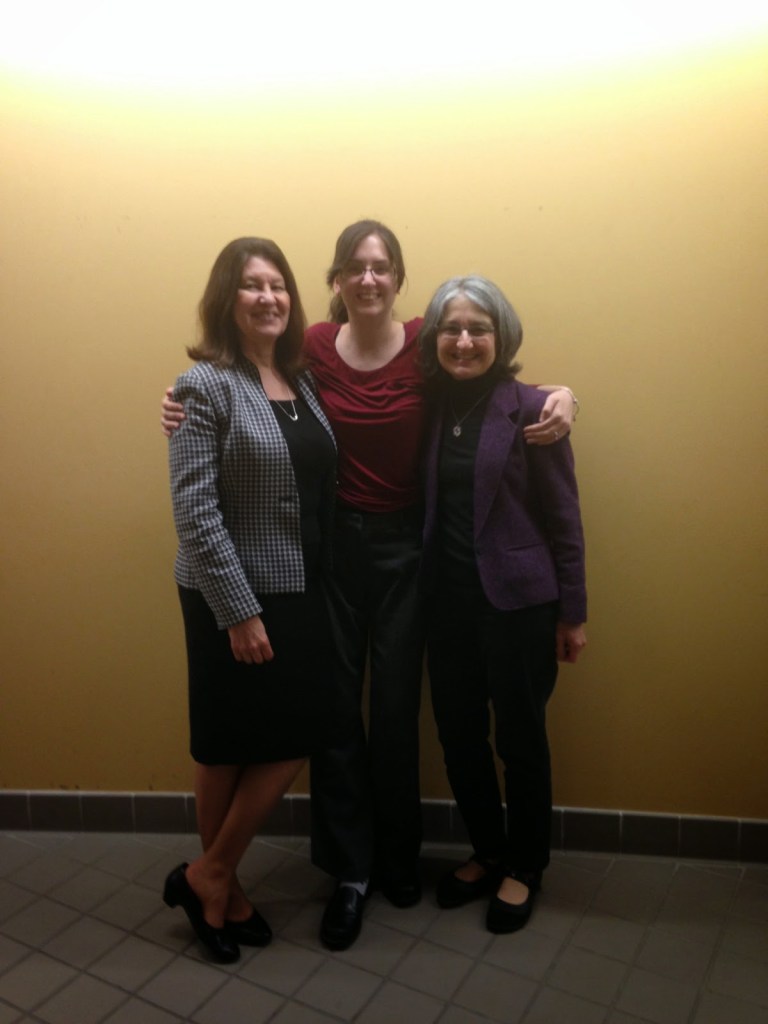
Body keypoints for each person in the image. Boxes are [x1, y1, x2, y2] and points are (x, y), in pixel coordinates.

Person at [161, 220, 577, 950]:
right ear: (335, 279)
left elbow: (495, 375)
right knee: (335, 720)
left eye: (382, 266)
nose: (369, 278)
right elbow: (236, 392)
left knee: (392, 713)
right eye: (355, 266)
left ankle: (397, 857)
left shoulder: (428, 343)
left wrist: (563, 397)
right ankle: (349, 871)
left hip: (407, 557)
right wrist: (179, 403)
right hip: (328, 556)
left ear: (398, 277)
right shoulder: (311, 350)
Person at [162, 237, 338, 963]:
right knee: (228, 740)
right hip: (227, 590)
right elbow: (194, 509)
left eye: (279, 285)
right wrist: (237, 610)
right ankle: (222, 891)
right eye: (252, 285)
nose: (269, 297)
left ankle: (209, 874)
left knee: (292, 734)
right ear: (226, 300)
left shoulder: (305, 381)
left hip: (300, 586)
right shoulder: (204, 386)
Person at [417, 275, 587, 934]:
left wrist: (573, 612)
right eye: (452, 329)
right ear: (435, 339)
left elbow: (565, 518)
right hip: (447, 606)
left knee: (520, 740)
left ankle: (526, 864)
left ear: (501, 336)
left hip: (519, 606)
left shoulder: (535, 409)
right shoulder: (427, 405)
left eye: (477, 329)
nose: (464, 341)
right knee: (459, 736)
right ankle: (488, 850)